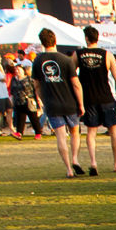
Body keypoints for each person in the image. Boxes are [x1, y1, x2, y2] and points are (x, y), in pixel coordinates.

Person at [31, 31, 86, 175]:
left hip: (51, 103)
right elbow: (76, 84)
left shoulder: (37, 61)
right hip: (69, 102)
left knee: (61, 136)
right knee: (75, 132)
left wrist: (43, 100)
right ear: (55, 41)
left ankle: (68, 169)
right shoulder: (66, 60)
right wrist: (81, 103)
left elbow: (36, 85)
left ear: (42, 43)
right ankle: (75, 159)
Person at [75, 25, 116, 174]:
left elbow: (72, 77)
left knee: (91, 132)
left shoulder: (78, 54)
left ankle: (93, 163)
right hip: (106, 98)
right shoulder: (107, 55)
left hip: (89, 99)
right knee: (113, 131)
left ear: (86, 38)